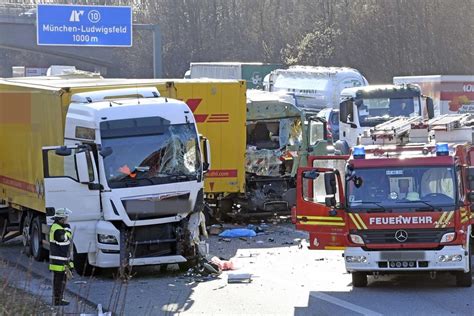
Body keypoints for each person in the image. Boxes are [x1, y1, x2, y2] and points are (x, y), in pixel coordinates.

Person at [49, 208, 74, 306]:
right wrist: (68, 229)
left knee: (61, 281)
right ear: (61, 219)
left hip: (61, 259)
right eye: (66, 218)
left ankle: (59, 299)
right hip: (58, 260)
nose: (67, 220)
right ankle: (58, 300)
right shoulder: (57, 229)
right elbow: (64, 238)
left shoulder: (58, 227)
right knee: (59, 281)